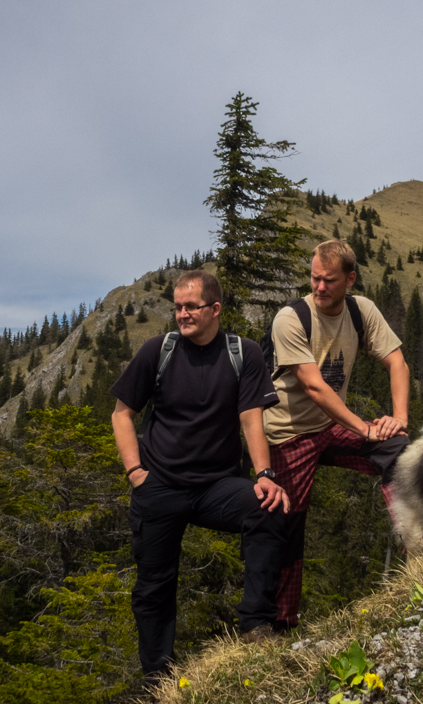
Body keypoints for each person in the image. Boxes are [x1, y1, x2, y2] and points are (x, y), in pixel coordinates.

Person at [110, 270, 289, 678]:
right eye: (177, 307)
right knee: (153, 586)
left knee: (267, 507)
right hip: (160, 484)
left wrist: (264, 475)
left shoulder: (243, 353)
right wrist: (136, 471)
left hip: (216, 486)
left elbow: (251, 418)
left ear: (215, 309)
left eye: (191, 307)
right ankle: (158, 678)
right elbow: (122, 414)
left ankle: (256, 628)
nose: (182, 314)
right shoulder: (159, 350)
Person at [263, 240, 411, 630]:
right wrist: (362, 427)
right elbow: (312, 386)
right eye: (314, 278)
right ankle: (282, 621)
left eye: (329, 280)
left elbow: (397, 361)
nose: (319, 287)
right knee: (288, 521)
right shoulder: (290, 318)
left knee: (399, 451)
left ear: (350, 279)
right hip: (286, 433)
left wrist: (399, 417)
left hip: (331, 426)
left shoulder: (362, 311)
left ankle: (420, 555)